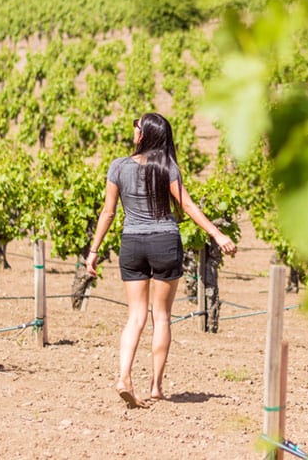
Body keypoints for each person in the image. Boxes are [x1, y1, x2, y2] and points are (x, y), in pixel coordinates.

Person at [85, 112, 236, 409]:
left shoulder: (118, 167)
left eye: (136, 126)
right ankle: (156, 386)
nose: (133, 130)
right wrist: (217, 235)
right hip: (165, 241)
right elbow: (187, 205)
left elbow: (108, 213)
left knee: (135, 316)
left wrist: (93, 251)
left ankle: (124, 377)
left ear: (144, 135)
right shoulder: (167, 166)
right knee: (161, 316)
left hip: (132, 243)